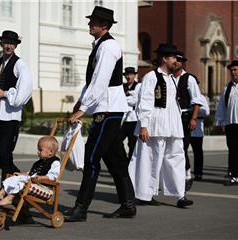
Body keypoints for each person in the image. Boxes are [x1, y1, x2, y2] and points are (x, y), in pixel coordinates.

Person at [65, 6, 136, 222]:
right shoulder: (100, 46)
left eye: (93, 22)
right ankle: (128, 205)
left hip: (108, 109)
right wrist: (80, 102)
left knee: (92, 157)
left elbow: (100, 81)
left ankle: (81, 208)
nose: (89, 25)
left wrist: (83, 108)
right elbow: (92, 81)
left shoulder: (108, 46)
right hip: (107, 109)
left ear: (104, 26)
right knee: (115, 160)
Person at [129, 43, 193, 208]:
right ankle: (144, 194)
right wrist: (144, 125)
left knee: (176, 158)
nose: (176, 62)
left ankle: (180, 195)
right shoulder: (151, 77)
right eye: (173, 58)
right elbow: (145, 102)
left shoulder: (172, 79)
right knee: (150, 160)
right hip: (155, 126)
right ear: (164, 58)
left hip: (172, 126)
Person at [0, 30, 32, 182]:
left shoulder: (20, 64)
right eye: (6, 43)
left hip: (9, 117)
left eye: (11, 44)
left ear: (15, 46)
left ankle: (7, 189)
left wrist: (6, 94)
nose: (8, 46)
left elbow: (24, 93)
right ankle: (21, 179)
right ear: (1, 44)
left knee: (4, 153)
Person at [0, 136, 60, 206]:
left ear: (51, 152)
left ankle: (10, 198)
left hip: (44, 186)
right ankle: (2, 193)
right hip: (34, 181)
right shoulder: (40, 162)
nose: (38, 152)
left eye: (40, 150)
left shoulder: (55, 162)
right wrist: (22, 174)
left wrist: (41, 178)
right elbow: (32, 173)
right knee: (14, 177)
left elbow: (52, 176)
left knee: (22, 182)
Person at [215, 60, 238, 186]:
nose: (233, 72)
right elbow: (221, 106)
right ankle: (233, 176)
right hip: (231, 123)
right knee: (233, 150)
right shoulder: (227, 87)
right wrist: (220, 121)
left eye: (235, 69)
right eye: (231, 70)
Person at [172, 51, 204, 191]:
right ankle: (174, 176)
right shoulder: (168, 78)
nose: (176, 62)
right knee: (172, 147)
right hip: (172, 117)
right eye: (174, 60)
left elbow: (197, 100)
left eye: (179, 60)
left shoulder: (189, 78)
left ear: (182, 62)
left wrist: (194, 118)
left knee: (182, 147)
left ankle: (187, 175)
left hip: (185, 116)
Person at [120, 67, 141, 160]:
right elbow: (118, 99)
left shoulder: (139, 86)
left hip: (134, 119)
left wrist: (124, 97)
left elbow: (134, 101)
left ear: (135, 75)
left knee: (132, 143)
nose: (128, 77)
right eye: (127, 75)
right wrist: (128, 95)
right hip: (124, 119)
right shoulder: (122, 86)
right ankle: (124, 161)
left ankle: (131, 164)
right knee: (116, 140)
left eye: (131, 74)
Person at [190, 95, 210, 181]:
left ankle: (198, 173)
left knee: (197, 152)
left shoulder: (201, 98)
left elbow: (206, 112)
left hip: (197, 129)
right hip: (184, 128)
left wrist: (194, 111)